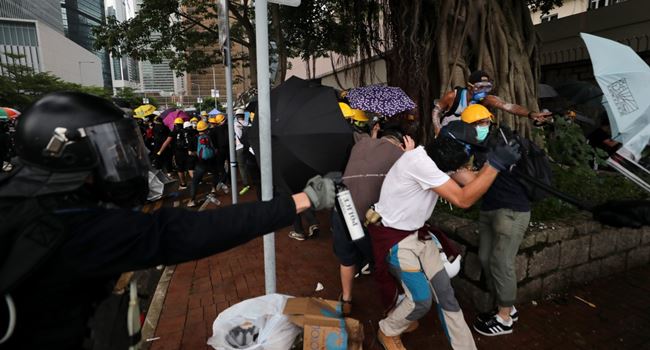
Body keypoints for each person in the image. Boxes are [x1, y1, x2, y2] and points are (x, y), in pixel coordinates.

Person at [0, 92, 338, 349]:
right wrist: (303, 200)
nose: (121, 160)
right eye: (110, 151)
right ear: (70, 155)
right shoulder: (72, 226)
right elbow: (189, 231)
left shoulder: (21, 200)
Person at [368, 120, 521, 350]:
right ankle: (387, 330)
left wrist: (494, 158)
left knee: (446, 295)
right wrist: (496, 164)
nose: (467, 160)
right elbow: (464, 199)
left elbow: (472, 181)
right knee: (421, 300)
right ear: (453, 148)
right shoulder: (419, 163)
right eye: (467, 152)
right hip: (396, 239)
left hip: (417, 235)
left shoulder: (438, 160)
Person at [456, 105, 532, 337]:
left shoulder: (501, 143)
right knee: (486, 257)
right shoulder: (475, 147)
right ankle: (506, 305)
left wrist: (455, 171)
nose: (480, 128)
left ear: (490, 122)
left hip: (511, 210)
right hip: (489, 208)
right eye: (475, 125)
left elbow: (474, 179)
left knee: (501, 261)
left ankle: (504, 318)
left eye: (484, 123)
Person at [332, 117, 415, 316]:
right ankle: (392, 307)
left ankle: (346, 300)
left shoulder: (360, 145)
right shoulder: (400, 155)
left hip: (342, 207)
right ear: (402, 142)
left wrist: (373, 135)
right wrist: (409, 155)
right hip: (368, 215)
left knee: (347, 260)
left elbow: (369, 143)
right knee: (382, 262)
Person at [432, 70, 552, 136]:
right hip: (447, 133)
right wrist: (438, 130)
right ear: (469, 87)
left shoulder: (487, 99)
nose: (483, 91)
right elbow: (436, 110)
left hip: (467, 135)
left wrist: (531, 114)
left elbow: (510, 107)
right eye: (480, 87)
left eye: (487, 87)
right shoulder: (453, 96)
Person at [156, 117, 190, 189]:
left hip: (178, 153)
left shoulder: (173, 132)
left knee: (180, 169)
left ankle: (183, 184)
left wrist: (160, 151)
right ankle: (195, 181)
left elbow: (166, 142)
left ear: (175, 124)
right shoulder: (186, 131)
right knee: (188, 168)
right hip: (187, 152)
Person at [234, 109, 251, 193]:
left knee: (241, 166)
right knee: (247, 164)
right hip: (248, 147)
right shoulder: (248, 123)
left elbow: (238, 136)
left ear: (236, 116)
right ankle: (251, 180)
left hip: (239, 147)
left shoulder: (235, 124)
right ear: (243, 115)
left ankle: (246, 184)